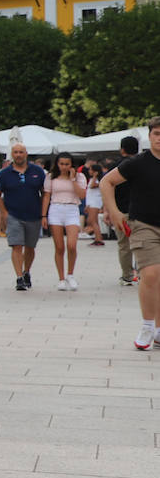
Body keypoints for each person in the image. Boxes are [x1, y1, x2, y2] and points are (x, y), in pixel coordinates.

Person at [101, 119, 160, 350]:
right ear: (150, 136)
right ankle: (147, 326)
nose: (159, 138)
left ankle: (158, 330)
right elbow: (107, 182)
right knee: (151, 273)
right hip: (143, 224)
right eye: (156, 133)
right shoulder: (138, 163)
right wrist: (114, 212)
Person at [0, 143, 48, 292]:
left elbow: (45, 193)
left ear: (26, 154)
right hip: (14, 215)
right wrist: (4, 212)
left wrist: (44, 214)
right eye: (15, 152)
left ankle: (26, 271)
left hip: (34, 215)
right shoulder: (5, 173)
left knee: (30, 247)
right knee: (16, 246)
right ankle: (19, 278)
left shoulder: (37, 171)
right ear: (12, 154)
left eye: (21, 152)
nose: (18, 155)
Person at [43, 152, 86, 291]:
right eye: (61, 164)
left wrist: (73, 179)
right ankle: (61, 278)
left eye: (67, 164)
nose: (64, 167)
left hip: (72, 209)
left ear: (71, 164)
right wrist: (43, 215)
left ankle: (70, 274)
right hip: (55, 209)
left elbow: (82, 195)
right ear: (57, 164)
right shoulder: (51, 177)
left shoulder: (80, 177)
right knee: (59, 246)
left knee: (72, 245)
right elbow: (47, 196)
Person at [111, 136, 140, 285]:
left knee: (124, 245)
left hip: (120, 211)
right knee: (143, 243)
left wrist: (110, 210)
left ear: (122, 149)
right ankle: (143, 273)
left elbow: (110, 189)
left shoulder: (116, 167)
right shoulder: (142, 165)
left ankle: (127, 275)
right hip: (142, 211)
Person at [84, 163, 105, 247]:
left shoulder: (97, 181)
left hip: (95, 203)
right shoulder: (93, 179)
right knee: (93, 221)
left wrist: (95, 176)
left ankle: (98, 239)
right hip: (91, 203)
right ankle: (98, 237)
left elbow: (92, 186)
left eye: (90, 169)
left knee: (93, 221)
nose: (89, 171)